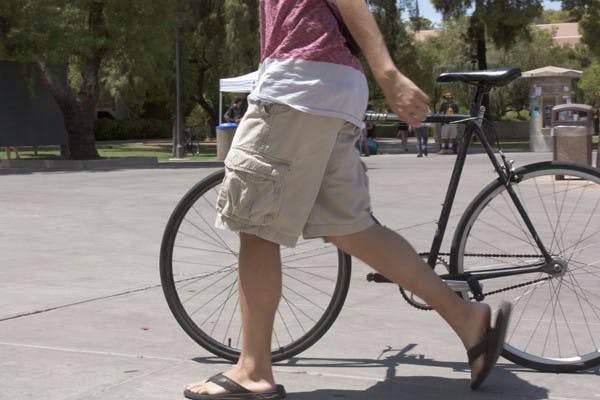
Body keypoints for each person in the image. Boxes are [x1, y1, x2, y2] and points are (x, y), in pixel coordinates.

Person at [183, 1, 511, 399]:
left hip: (299, 87)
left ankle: (253, 370)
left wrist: (387, 72)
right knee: (352, 229)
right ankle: (466, 317)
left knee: (255, 228)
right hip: (330, 87)